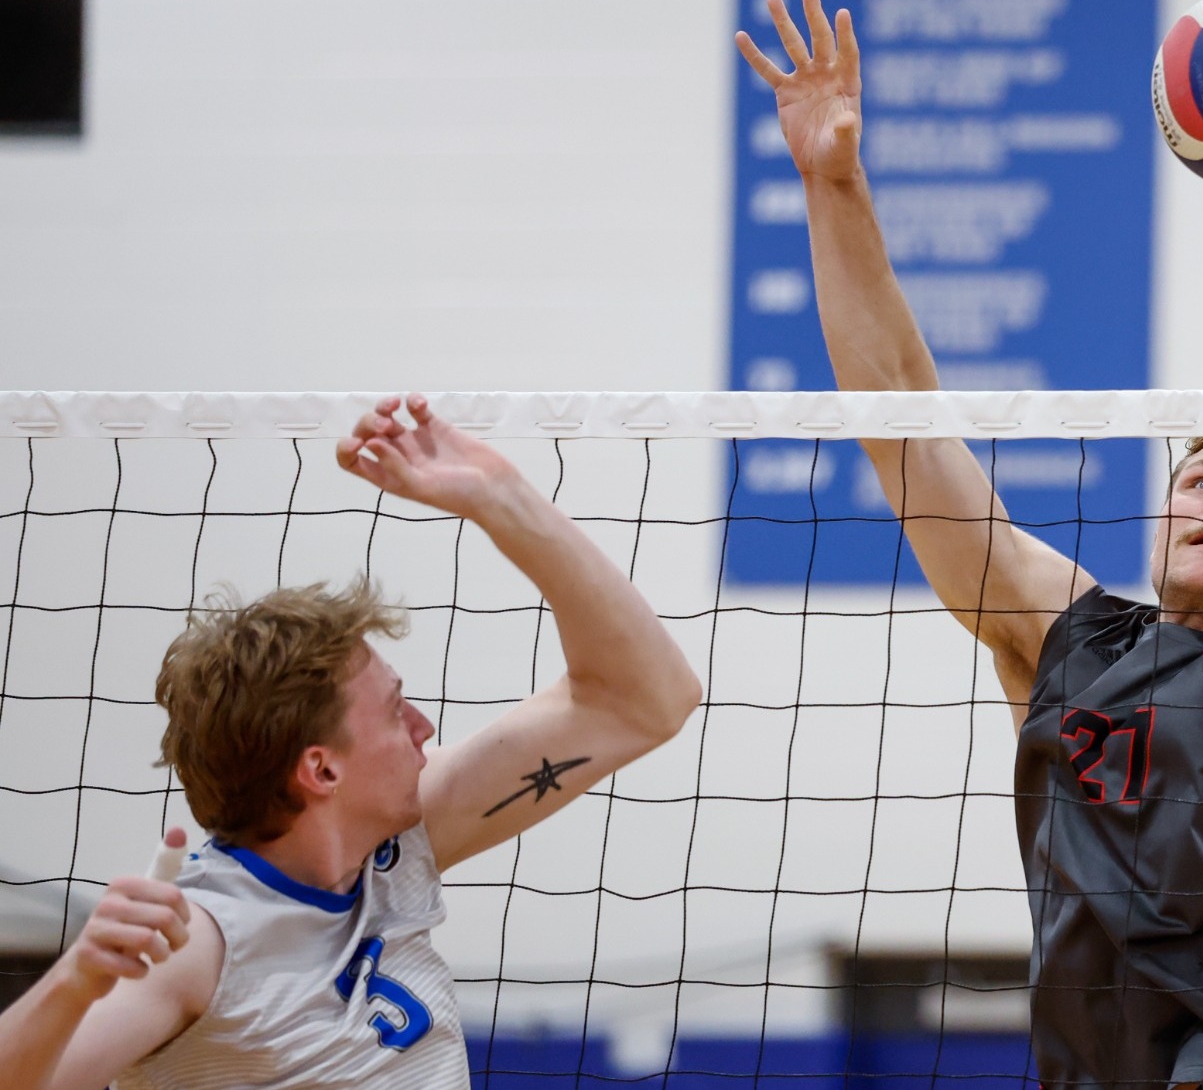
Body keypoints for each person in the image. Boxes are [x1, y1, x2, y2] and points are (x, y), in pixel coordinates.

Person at [738, 0, 1203, 1090]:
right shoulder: (1065, 642)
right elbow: (899, 421)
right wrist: (832, 183)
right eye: (1200, 476)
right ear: (1164, 507)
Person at [0, 394, 703, 1090]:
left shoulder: (397, 845)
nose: (424, 726)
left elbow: (644, 699)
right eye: (396, 711)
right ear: (322, 769)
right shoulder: (204, 938)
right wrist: (73, 979)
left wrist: (498, 497)